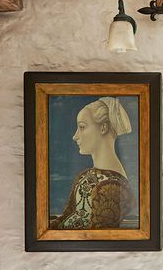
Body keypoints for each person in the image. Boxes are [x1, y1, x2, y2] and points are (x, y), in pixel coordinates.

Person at [51, 97, 134, 230]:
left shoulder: (112, 188)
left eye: (82, 127)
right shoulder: (84, 176)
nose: (75, 136)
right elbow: (66, 217)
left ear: (104, 128)